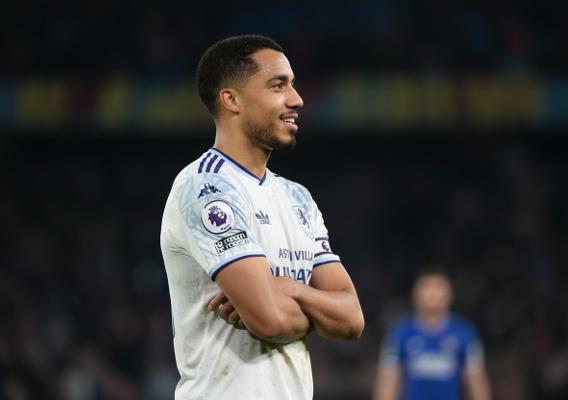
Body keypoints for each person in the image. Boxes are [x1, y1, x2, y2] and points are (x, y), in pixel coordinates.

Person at [159, 34, 364, 400]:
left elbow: (351, 319)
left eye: (293, 84)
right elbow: (269, 320)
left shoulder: (297, 198)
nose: (296, 99)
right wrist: (313, 309)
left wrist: (287, 288)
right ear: (231, 100)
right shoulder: (206, 189)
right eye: (277, 85)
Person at [374, 269, 491, 400]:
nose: (433, 293)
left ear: (450, 295)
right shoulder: (399, 333)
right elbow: (387, 380)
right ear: (415, 295)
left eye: (438, 286)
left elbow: (477, 381)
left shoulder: (465, 333)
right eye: (427, 287)